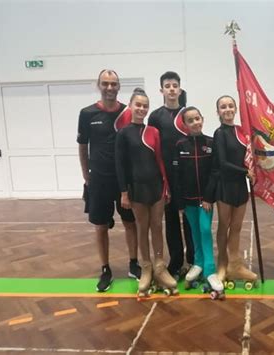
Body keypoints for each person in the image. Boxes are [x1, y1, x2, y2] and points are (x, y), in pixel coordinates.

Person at [77, 69, 140, 292]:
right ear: (99, 85)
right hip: (99, 180)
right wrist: (87, 176)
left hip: (125, 181)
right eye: (106, 83)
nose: (110, 88)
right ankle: (105, 269)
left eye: (114, 84)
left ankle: (134, 263)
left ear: (119, 86)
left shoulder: (128, 113)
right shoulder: (87, 114)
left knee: (130, 223)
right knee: (101, 226)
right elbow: (83, 147)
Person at [115, 88, 177, 296]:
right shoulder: (123, 134)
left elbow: (160, 160)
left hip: (156, 187)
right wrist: (124, 192)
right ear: (131, 106)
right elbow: (120, 165)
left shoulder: (154, 132)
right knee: (142, 227)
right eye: (138, 105)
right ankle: (147, 268)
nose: (141, 109)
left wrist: (166, 185)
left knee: (157, 226)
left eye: (144, 106)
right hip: (136, 189)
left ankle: (160, 266)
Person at [172, 106, 224, 296]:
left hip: (206, 200)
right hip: (187, 200)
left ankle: (210, 269)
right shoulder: (180, 145)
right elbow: (176, 176)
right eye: (190, 120)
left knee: (204, 230)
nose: (195, 123)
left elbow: (215, 171)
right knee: (194, 231)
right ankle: (198, 263)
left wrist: (209, 197)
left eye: (197, 119)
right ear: (185, 124)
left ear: (202, 119)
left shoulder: (211, 143)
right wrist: (179, 203)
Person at [147, 71, 194, 279]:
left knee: (190, 221)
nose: (172, 89)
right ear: (162, 90)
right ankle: (175, 262)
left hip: (188, 177)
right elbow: (151, 147)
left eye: (175, 85)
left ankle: (194, 262)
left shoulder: (188, 114)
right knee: (172, 221)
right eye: (168, 86)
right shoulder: (155, 117)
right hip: (166, 177)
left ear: (180, 89)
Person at [212, 95, 257, 286]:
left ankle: (235, 264)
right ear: (218, 112)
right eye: (223, 107)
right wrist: (245, 171)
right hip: (225, 186)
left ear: (236, 109)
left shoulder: (241, 132)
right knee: (224, 225)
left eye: (231, 106)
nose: (228, 109)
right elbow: (222, 163)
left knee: (237, 227)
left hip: (240, 186)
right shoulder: (219, 133)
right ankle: (222, 263)